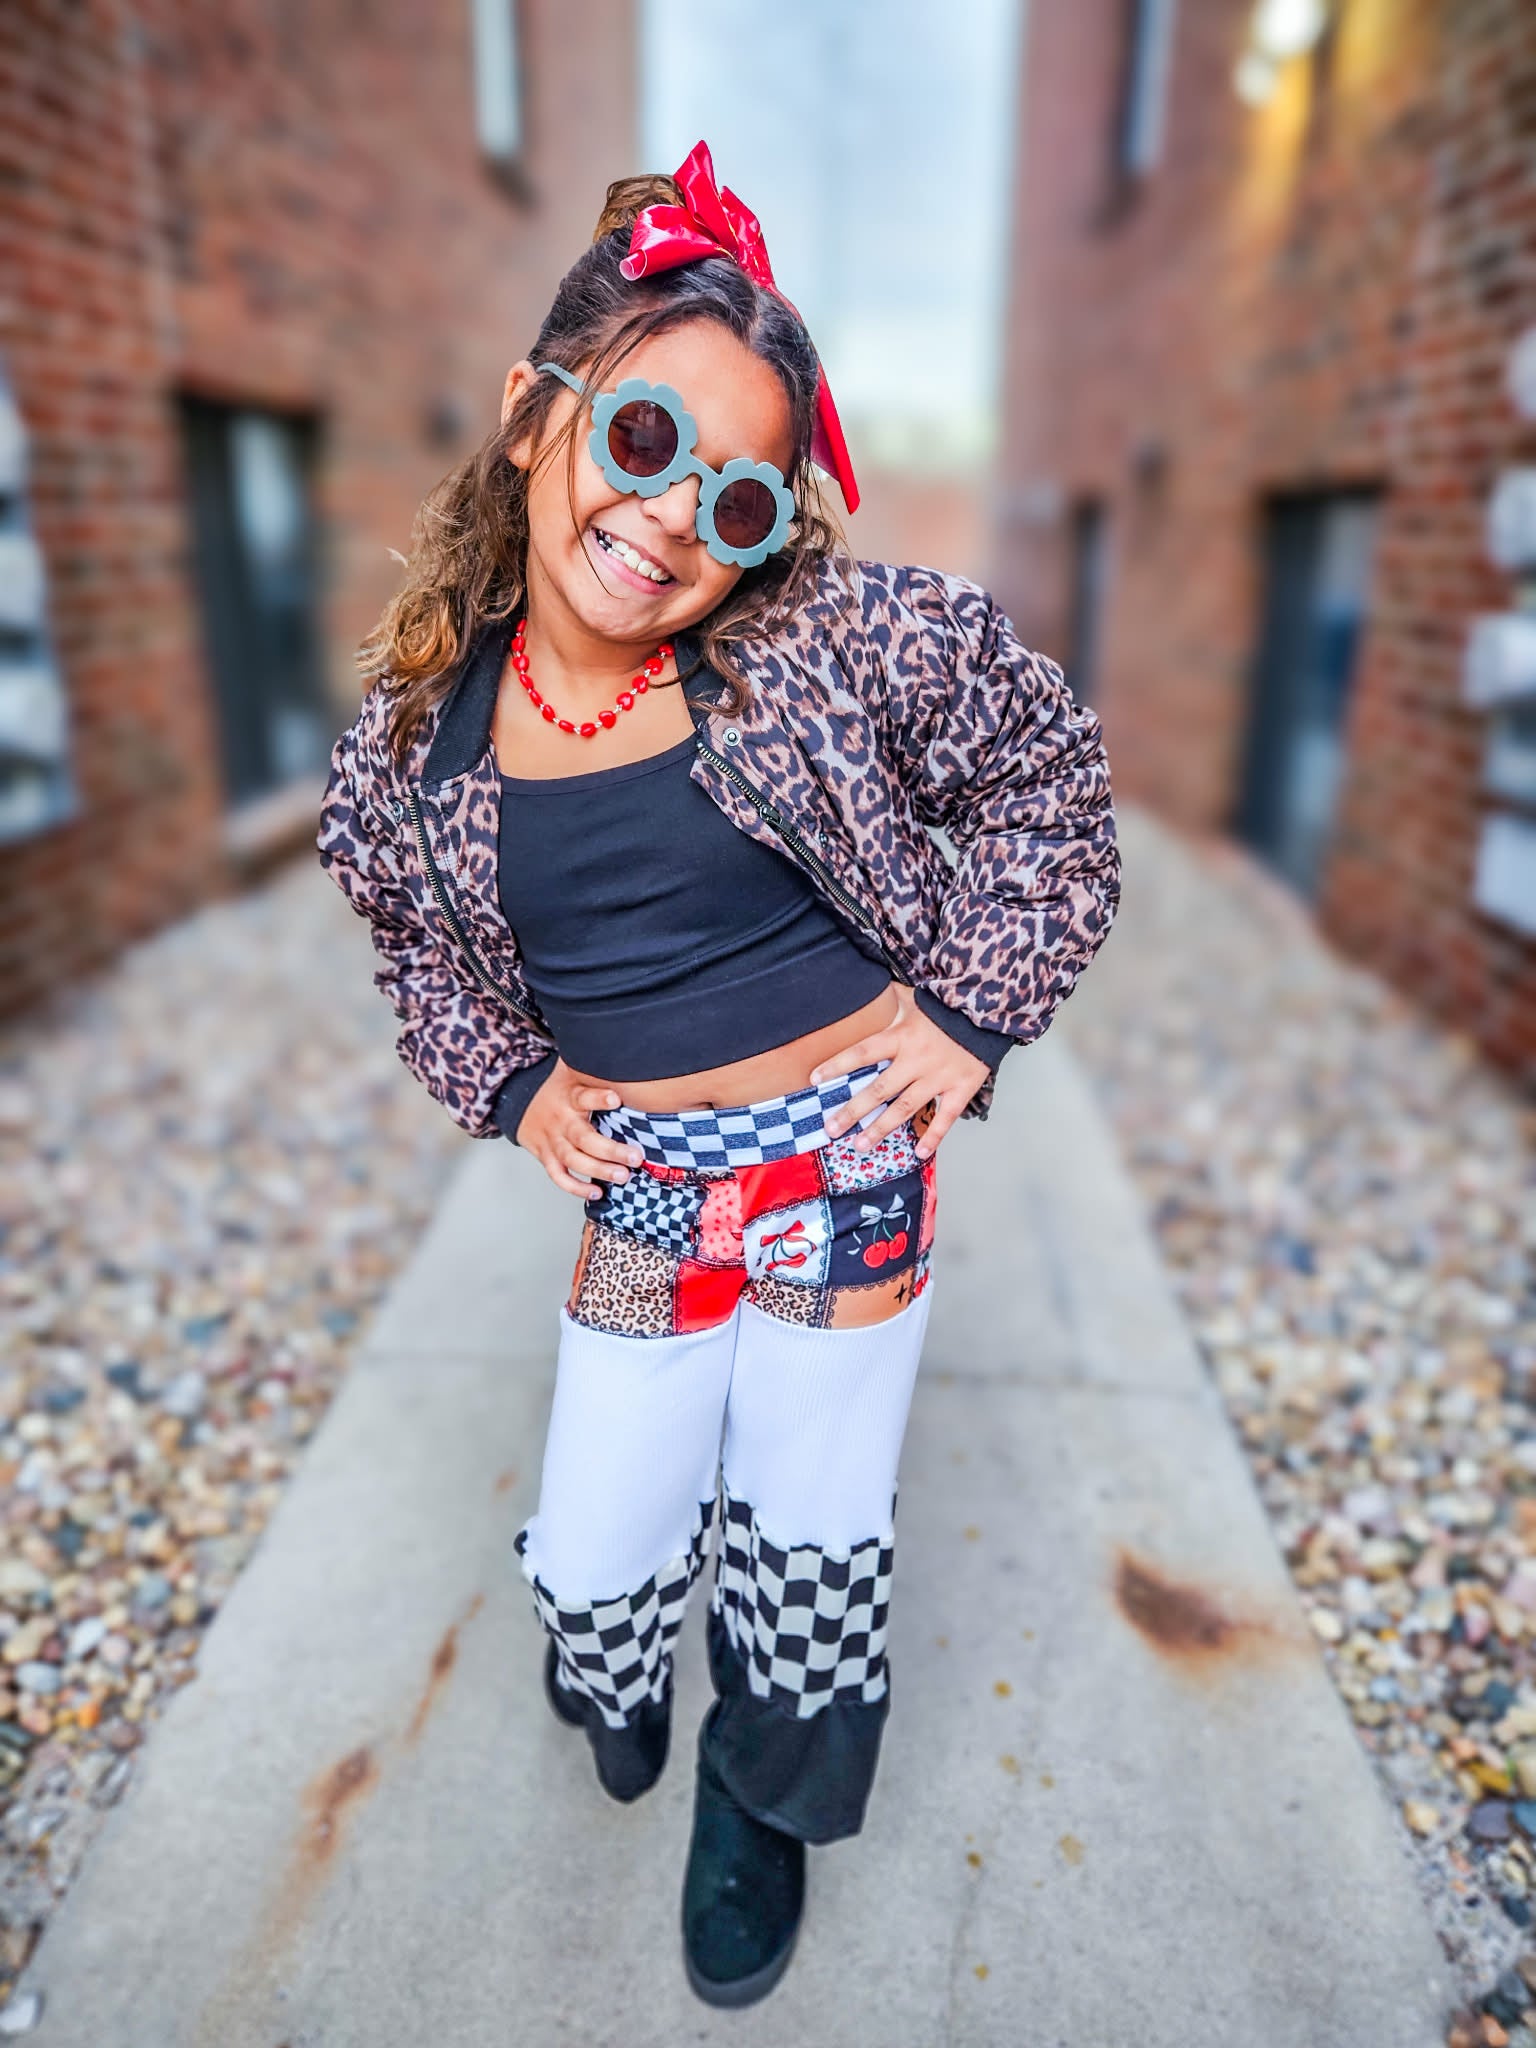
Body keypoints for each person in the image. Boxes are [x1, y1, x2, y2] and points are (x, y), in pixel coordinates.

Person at [317, 139, 1120, 2009]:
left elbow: (1052, 784)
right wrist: (514, 1087)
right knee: (606, 1535)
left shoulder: (829, 645)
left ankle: (756, 1806)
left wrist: (968, 1013)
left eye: (738, 497)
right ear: (535, 413)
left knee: (808, 1533)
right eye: (645, 437)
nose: (675, 517)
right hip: (652, 1192)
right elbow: (419, 954)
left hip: (851, 1162)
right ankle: (612, 1658)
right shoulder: (417, 751)